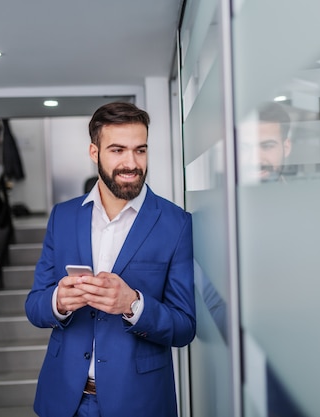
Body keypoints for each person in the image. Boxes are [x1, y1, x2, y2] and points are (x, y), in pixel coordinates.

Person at [25, 102, 196, 417]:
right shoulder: (62, 217)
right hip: (65, 399)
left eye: (140, 150)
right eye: (118, 150)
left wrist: (133, 304)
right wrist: (58, 301)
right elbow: (35, 305)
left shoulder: (177, 223)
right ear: (94, 152)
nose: (131, 163)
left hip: (139, 403)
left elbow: (184, 327)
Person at [256, 102, 292, 182]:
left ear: (286, 148)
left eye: (267, 146)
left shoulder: (301, 194)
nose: (256, 160)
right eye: (244, 147)